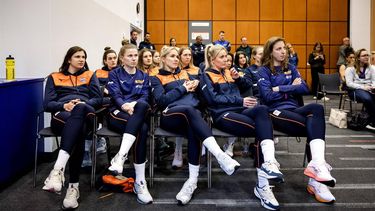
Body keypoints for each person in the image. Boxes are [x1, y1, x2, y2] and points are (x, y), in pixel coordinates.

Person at [150, 45, 240, 205]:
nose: (176, 59)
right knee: (191, 112)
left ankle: (192, 181)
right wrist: (183, 88)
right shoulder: (156, 78)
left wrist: (198, 88)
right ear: (163, 59)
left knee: (194, 126)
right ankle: (220, 155)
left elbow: (202, 98)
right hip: (170, 116)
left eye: (177, 56)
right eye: (172, 56)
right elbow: (161, 100)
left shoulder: (186, 73)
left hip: (192, 117)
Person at [199, 44, 282, 210]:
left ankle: (268, 165)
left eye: (227, 57)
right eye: (222, 57)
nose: (226, 60)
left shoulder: (230, 72)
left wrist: (238, 79)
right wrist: (240, 101)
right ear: (212, 59)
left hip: (241, 110)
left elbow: (247, 86)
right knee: (262, 130)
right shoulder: (206, 75)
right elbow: (212, 100)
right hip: (222, 115)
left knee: (262, 110)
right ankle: (263, 184)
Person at [257, 36, 336, 209]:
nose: (283, 51)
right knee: (313, 128)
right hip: (275, 112)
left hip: (294, 110)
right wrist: (290, 87)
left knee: (317, 109)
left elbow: (305, 88)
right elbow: (268, 96)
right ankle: (316, 178)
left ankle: (316, 167)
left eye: (284, 48)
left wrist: (280, 88)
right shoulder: (263, 71)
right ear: (270, 51)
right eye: (278, 49)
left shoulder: (291, 67)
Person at [42, 46, 102, 209]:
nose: (82, 59)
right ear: (69, 59)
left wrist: (84, 103)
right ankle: (73, 187)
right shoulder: (54, 77)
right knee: (79, 131)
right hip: (63, 115)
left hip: (86, 111)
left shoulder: (90, 75)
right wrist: (64, 105)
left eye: (84, 56)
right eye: (77, 56)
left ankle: (57, 170)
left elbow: (98, 99)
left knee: (81, 109)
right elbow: (47, 104)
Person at [106, 44, 153, 204]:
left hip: (135, 112)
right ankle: (140, 181)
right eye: (130, 56)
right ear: (122, 58)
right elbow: (115, 94)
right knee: (143, 128)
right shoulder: (114, 74)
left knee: (142, 111)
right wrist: (124, 105)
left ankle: (121, 157)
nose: (134, 58)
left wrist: (133, 106)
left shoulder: (143, 75)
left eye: (135, 55)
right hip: (118, 113)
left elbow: (145, 96)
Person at [81, 47, 118, 167]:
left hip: (115, 101)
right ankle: (91, 145)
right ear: (105, 61)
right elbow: (94, 89)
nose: (113, 61)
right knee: (89, 107)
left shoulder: (121, 72)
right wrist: (103, 89)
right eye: (110, 59)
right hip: (100, 100)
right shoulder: (97, 73)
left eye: (114, 58)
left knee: (105, 103)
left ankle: (98, 136)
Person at [171, 47, 200, 169]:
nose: (188, 57)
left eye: (189, 55)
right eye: (185, 55)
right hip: (178, 102)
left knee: (195, 112)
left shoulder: (197, 69)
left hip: (194, 100)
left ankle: (198, 148)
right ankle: (178, 151)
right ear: (180, 56)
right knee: (182, 115)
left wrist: (197, 83)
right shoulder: (175, 70)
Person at [345, 48, 375, 131]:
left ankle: (370, 121)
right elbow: (349, 83)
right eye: (364, 55)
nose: (366, 57)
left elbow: (374, 80)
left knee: (370, 97)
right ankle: (373, 121)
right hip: (355, 90)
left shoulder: (371, 68)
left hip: (369, 89)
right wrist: (363, 87)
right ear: (358, 58)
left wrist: (372, 87)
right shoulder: (350, 69)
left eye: (367, 55)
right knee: (367, 98)